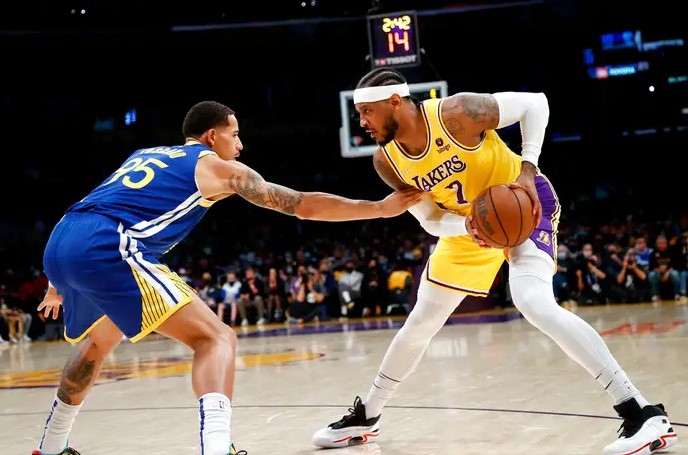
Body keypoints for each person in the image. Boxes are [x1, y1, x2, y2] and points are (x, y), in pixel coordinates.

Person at [312, 68, 676, 455]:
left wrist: (527, 170)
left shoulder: (457, 113)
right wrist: (469, 227)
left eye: (367, 112)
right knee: (421, 322)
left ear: (395, 102)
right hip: (469, 227)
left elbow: (535, 104)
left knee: (533, 301)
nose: (362, 122)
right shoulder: (388, 162)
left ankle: (642, 413)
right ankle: (367, 417)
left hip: (523, 206)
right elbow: (430, 219)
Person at [33, 100, 421, 455]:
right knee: (216, 338)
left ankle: (50, 447)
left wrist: (56, 282)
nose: (240, 145)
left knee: (97, 342)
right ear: (211, 136)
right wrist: (379, 208)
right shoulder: (217, 168)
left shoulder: (146, 154)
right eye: (234, 135)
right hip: (107, 246)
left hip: (63, 240)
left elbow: (97, 207)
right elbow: (300, 204)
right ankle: (217, 448)